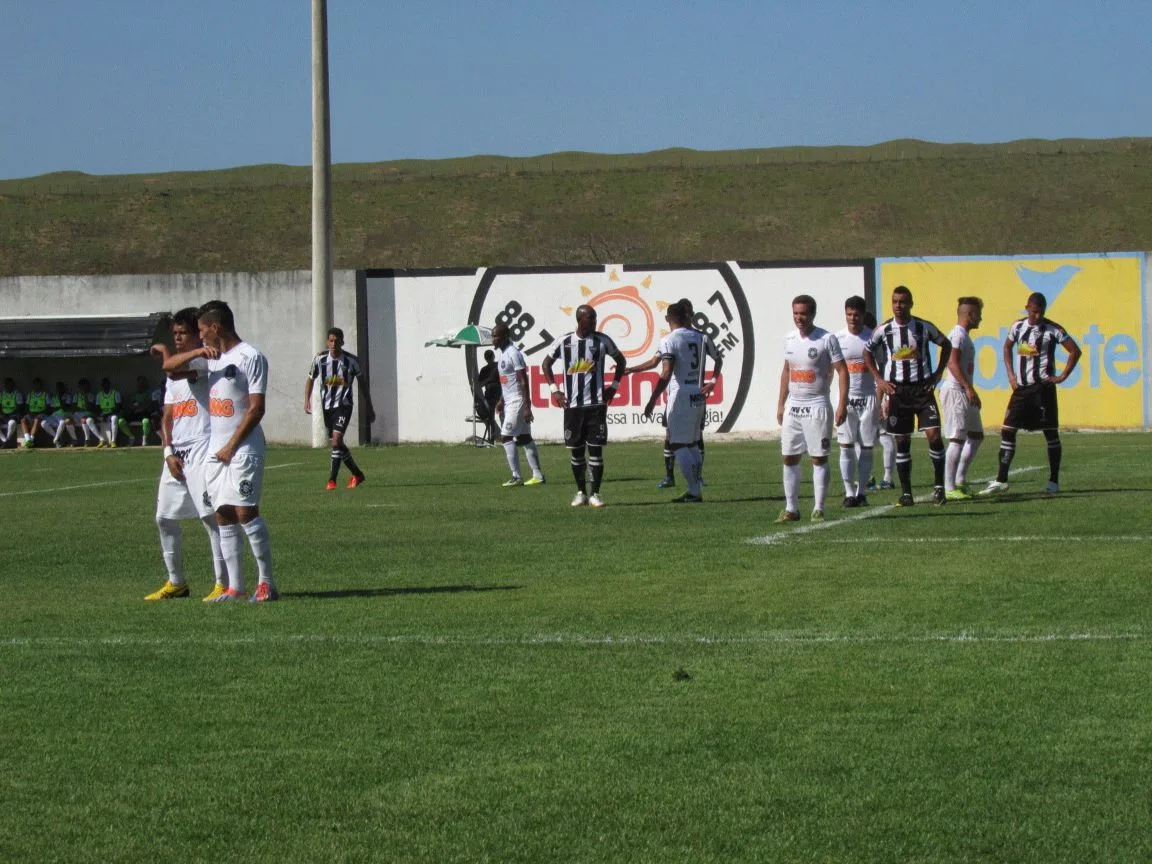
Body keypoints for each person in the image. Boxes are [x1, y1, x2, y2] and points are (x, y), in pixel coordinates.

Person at [163, 299, 276, 603]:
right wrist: (198, 353)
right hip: (217, 452)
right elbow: (169, 368)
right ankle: (235, 588)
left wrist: (231, 445)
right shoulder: (209, 358)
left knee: (245, 511)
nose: (200, 336)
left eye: (201, 331)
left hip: (243, 447)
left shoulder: (251, 357)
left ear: (215, 327)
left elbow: (256, 409)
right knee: (223, 514)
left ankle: (266, 582)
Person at [145, 307, 228, 601]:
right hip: (176, 453)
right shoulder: (179, 366)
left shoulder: (207, 360)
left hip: (202, 448)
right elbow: (168, 415)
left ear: (198, 334)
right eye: (175, 334)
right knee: (164, 518)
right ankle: (177, 582)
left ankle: (222, 584)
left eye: (183, 333)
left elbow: (171, 367)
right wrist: (167, 451)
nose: (178, 338)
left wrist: (173, 353)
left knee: (210, 517)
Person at [980, 291, 1081, 496]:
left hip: (1043, 389)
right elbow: (1007, 347)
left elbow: (1075, 351)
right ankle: (1001, 479)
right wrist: (1010, 375)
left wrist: (1062, 376)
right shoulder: (1017, 326)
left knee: (1050, 433)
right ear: (1027, 308)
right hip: (1022, 389)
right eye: (1035, 312)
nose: (1038, 316)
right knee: (1007, 430)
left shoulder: (1053, 329)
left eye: (1041, 312)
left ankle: (1054, 481)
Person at [865, 285, 952, 507]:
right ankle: (906, 494)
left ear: (911, 303)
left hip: (922, 390)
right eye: (895, 302)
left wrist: (937, 374)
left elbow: (946, 344)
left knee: (934, 436)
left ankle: (939, 488)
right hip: (898, 392)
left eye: (903, 302)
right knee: (902, 441)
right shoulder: (884, 330)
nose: (898, 306)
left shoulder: (923, 327)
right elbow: (867, 351)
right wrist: (879, 379)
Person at [627, 297, 722, 489]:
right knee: (694, 441)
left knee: (677, 443)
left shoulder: (669, 340)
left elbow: (666, 371)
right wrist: (712, 381)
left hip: (680, 395)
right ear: (686, 317)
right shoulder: (701, 336)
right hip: (698, 393)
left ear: (668, 318)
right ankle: (695, 484)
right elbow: (719, 358)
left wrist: (653, 399)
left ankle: (693, 488)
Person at [541, 304, 626, 508]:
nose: (595, 321)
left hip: (596, 405)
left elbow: (621, 361)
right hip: (573, 406)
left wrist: (613, 387)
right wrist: (555, 390)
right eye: (591, 318)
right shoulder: (564, 341)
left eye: (595, 318)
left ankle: (595, 493)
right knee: (576, 452)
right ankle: (580, 492)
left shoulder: (602, 341)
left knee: (596, 451)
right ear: (580, 320)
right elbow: (546, 364)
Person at [776, 295, 849, 522]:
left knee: (818, 458)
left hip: (816, 404)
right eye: (796, 313)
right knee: (789, 457)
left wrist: (842, 404)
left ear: (813, 314)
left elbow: (843, 371)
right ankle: (791, 509)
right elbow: (787, 370)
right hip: (794, 406)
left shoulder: (826, 339)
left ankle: (818, 508)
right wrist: (780, 403)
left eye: (804, 314)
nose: (799, 318)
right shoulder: (789, 339)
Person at [304, 326, 375, 490]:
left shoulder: (351, 361)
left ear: (342, 342)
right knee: (336, 443)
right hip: (327, 407)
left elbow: (363, 385)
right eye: (331, 340)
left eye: (337, 341)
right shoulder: (319, 360)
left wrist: (369, 407)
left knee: (336, 440)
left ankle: (332, 480)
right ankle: (357, 474)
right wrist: (306, 400)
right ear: (327, 342)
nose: (334, 344)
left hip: (344, 405)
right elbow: (310, 379)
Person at [834, 296, 878, 507]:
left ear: (863, 315)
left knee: (867, 447)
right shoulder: (837, 339)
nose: (853, 318)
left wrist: (882, 399)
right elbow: (827, 370)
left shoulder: (873, 338)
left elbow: (882, 370)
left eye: (856, 315)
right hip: (847, 399)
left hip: (869, 398)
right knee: (846, 446)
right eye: (849, 314)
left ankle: (862, 492)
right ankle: (849, 492)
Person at [940, 297, 985, 500]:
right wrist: (968, 388)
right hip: (956, 391)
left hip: (965, 391)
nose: (981, 318)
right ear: (970, 315)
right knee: (957, 438)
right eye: (978, 313)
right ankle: (949, 488)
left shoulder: (964, 336)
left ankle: (959, 480)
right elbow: (952, 363)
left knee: (976, 435)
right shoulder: (956, 335)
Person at [491, 321, 546, 486]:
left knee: (506, 436)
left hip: (517, 401)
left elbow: (523, 379)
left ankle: (516, 476)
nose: (493, 339)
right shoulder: (503, 354)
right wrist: (501, 400)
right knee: (524, 438)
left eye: (496, 336)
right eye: (493, 336)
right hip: (509, 401)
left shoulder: (513, 354)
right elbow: (507, 382)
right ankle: (538, 475)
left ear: (505, 336)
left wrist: (527, 406)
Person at [474, 349, 502, 443]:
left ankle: (493, 436)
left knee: (492, 417)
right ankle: (493, 437)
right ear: (493, 356)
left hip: (495, 395)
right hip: (494, 395)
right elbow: (481, 384)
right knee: (492, 417)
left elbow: (480, 385)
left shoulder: (498, 367)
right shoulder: (486, 369)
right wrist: (489, 379)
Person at [124, 375, 159, 445]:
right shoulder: (135, 393)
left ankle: (144, 438)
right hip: (135, 413)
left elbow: (147, 404)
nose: (141, 384)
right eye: (139, 383)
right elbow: (131, 405)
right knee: (121, 421)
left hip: (145, 413)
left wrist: (138, 406)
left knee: (146, 421)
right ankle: (131, 436)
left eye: (143, 382)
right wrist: (138, 406)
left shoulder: (149, 393)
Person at [42, 381, 78, 448]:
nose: (59, 389)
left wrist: (60, 400)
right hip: (54, 416)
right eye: (58, 388)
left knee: (62, 422)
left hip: (64, 415)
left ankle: (56, 440)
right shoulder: (54, 397)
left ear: (64, 388)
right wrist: (58, 406)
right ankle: (57, 438)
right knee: (43, 423)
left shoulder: (68, 396)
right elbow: (51, 409)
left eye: (61, 387)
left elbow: (65, 408)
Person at [19, 378, 50, 448]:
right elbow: (27, 406)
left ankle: (31, 440)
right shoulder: (30, 395)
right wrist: (29, 413)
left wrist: (39, 412)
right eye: (35, 384)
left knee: (36, 420)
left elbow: (48, 407)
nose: (36, 386)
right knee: (23, 420)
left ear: (40, 385)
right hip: (31, 413)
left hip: (41, 413)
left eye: (38, 384)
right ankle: (28, 440)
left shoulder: (45, 394)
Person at [71, 378, 102, 446]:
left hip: (88, 414)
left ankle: (87, 440)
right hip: (77, 414)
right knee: (67, 421)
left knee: (84, 419)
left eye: (85, 386)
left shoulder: (91, 395)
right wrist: (81, 409)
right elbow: (73, 408)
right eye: (82, 386)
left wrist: (85, 398)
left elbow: (89, 408)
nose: (84, 388)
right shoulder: (76, 395)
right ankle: (74, 440)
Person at [94, 377, 124, 447]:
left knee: (114, 418)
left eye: (106, 384)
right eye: (103, 384)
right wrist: (101, 415)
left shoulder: (115, 393)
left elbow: (118, 407)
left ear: (109, 384)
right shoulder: (99, 395)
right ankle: (102, 440)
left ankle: (113, 441)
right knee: (90, 420)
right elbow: (97, 407)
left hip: (112, 414)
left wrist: (107, 414)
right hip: (103, 415)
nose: (105, 385)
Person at [0, 378, 24, 448]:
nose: (8, 386)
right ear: (5, 385)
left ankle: (7, 439)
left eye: (10, 384)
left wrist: (10, 414)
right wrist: (2, 413)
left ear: (13, 385)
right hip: (3, 415)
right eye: (7, 384)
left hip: (13, 415)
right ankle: (4, 440)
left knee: (11, 423)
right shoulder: (1, 394)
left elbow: (20, 407)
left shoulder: (17, 394)